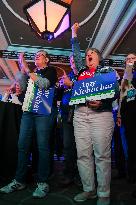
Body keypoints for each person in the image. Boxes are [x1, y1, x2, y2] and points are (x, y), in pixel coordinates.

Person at [71, 23, 119, 205]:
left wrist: (103, 102)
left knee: (102, 155)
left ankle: (104, 193)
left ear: (99, 58)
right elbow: (76, 54)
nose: (88, 54)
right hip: (80, 114)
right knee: (83, 155)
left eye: (92, 53)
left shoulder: (107, 71)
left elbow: (114, 92)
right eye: (86, 54)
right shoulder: (82, 71)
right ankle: (89, 190)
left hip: (101, 115)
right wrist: (74, 34)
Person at [0, 50, 57, 198]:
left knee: (42, 146)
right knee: (22, 145)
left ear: (47, 59)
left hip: (43, 112)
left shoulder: (50, 71)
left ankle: (43, 182)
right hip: (27, 112)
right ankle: (19, 180)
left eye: (41, 55)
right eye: (36, 55)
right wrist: (15, 89)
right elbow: (24, 90)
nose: (37, 56)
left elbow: (44, 84)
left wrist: (27, 68)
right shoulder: (29, 74)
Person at [59, 55, 80, 186]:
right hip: (67, 115)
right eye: (71, 60)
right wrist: (61, 86)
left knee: (81, 147)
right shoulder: (68, 75)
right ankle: (69, 174)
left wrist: (71, 84)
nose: (72, 62)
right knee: (67, 146)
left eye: (75, 60)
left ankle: (80, 175)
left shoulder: (85, 75)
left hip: (81, 114)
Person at [117, 53, 136, 184]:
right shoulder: (125, 78)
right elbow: (122, 98)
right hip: (127, 115)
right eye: (128, 59)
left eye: (133, 58)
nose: (130, 61)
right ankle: (131, 174)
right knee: (130, 147)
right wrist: (119, 114)